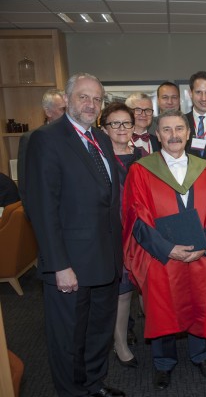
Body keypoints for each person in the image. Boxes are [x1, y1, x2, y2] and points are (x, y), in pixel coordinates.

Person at [25, 73, 125, 397]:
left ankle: (94, 386)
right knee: (68, 340)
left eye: (96, 99)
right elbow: (42, 208)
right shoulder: (47, 139)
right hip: (70, 266)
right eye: (83, 97)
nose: (90, 104)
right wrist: (58, 265)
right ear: (67, 99)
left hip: (105, 261)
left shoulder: (102, 139)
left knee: (98, 334)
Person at [122, 109, 206, 391]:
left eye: (179, 129)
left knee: (201, 302)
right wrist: (167, 249)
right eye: (166, 130)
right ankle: (163, 363)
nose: (173, 135)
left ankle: (202, 354)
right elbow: (136, 219)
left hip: (201, 255)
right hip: (161, 256)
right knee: (161, 308)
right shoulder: (141, 170)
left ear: (189, 133)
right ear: (158, 135)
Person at [99, 102, 145, 370]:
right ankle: (120, 344)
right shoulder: (99, 159)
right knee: (123, 293)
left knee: (149, 291)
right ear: (104, 128)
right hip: (114, 234)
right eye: (114, 123)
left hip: (143, 232)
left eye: (126, 123)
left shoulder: (142, 155)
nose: (121, 128)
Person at [17, 88, 65, 209]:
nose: (68, 114)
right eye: (63, 109)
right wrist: (32, 216)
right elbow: (24, 183)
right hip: (45, 211)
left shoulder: (78, 138)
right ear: (48, 112)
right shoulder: (31, 139)